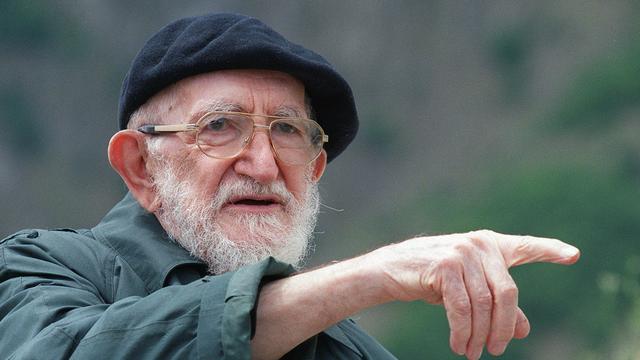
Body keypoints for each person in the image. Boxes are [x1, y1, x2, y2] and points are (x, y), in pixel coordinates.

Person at [0, 13, 579, 360]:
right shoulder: (40, 268)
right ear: (140, 167)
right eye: (220, 127)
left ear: (316, 170)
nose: (264, 163)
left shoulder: (346, 348)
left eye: (287, 131)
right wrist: (374, 275)